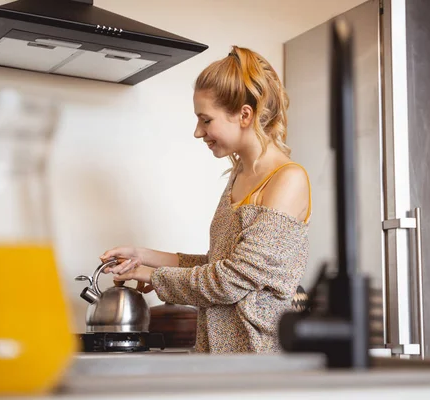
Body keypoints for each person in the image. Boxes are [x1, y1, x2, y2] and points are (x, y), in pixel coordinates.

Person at [100, 45, 312, 353]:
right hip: (218, 359)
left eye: (206, 120)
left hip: (259, 363)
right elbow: (219, 265)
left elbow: (230, 281)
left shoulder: (287, 180)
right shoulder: (238, 177)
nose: (198, 132)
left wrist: (152, 276)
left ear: (244, 115)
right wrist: (142, 255)